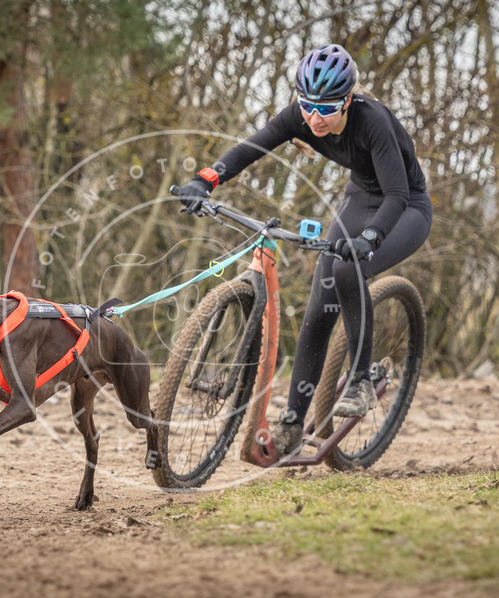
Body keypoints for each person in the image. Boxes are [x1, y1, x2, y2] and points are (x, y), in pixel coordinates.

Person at [175, 43, 432, 454]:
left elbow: (398, 195)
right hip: (361, 196)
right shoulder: (301, 117)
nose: (314, 117)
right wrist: (206, 180)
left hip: (406, 208)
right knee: (318, 306)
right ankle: (293, 424)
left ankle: (362, 379)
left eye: (327, 108)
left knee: (350, 269)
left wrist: (370, 239)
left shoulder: (373, 123)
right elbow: (249, 148)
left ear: (347, 100)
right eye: (307, 105)